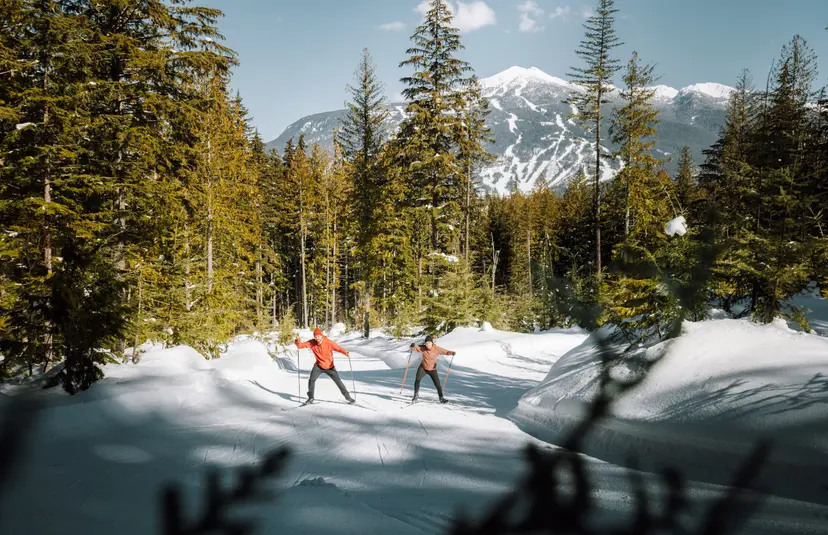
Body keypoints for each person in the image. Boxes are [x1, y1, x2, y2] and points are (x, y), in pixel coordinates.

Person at [295, 327, 354, 404]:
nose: (317, 338)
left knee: (338, 382)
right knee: (311, 380)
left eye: (318, 336)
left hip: (330, 367)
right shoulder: (312, 343)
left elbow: (338, 348)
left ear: (322, 336)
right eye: (315, 337)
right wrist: (297, 340)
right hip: (318, 366)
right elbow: (300, 346)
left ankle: (348, 398)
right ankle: (311, 398)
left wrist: (346, 352)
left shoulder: (329, 342)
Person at [408, 334, 456, 403]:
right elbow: (414, 348)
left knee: (437, 384)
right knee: (417, 380)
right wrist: (412, 346)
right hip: (423, 368)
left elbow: (445, 351)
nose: (428, 344)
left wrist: (452, 353)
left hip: (432, 369)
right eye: (426, 343)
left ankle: (441, 398)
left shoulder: (436, 349)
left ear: (432, 343)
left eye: (429, 343)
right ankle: (415, 396)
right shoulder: (423, 348)